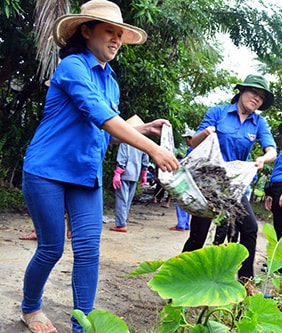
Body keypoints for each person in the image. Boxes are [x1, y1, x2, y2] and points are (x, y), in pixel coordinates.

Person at [20, 1, 179, 333]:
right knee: (51, 248)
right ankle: (31, 309)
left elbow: (103, 132)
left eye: (120, 34)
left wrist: (142, 129)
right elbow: (97, 113)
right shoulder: (72, 66)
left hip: (84, 175)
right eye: (110, 31)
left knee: (89, 250)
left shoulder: (112, 81)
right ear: (86, 30)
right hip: (47, 170)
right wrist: (151, 149)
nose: (116, 39)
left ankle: (84, 327)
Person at [181, 74, 277, 283]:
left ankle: (245, 282)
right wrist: (205, 133)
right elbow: (193, 144)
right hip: (209, 183)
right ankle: (180, 281)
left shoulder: (258, 122)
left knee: (250, 227)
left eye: (261, 97)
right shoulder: (218, 112)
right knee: (198, 235)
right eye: (254, 92)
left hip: (234, 185)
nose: (256, 99)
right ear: (241, 91)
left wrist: (263, 158)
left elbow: (272, 150)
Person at [111, 121, 150, 233]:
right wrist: (144, 174)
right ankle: (123, 220)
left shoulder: (125, 140)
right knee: (128, 200)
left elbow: (122, 157)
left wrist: (118, 173)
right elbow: (145, 160)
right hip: (135, 174)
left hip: (124, 173)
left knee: (121, 199)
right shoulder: (142, 142)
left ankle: (121, 224)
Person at [169, 129, 195, 231]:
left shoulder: (191, 150)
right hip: (193, 181)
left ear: (190, 139)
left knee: (181, 201)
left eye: (186, 139)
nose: (186, 141)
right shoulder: (195, 149)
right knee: (188, 201)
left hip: (187, 180)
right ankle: (186, 223)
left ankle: (181, 224)